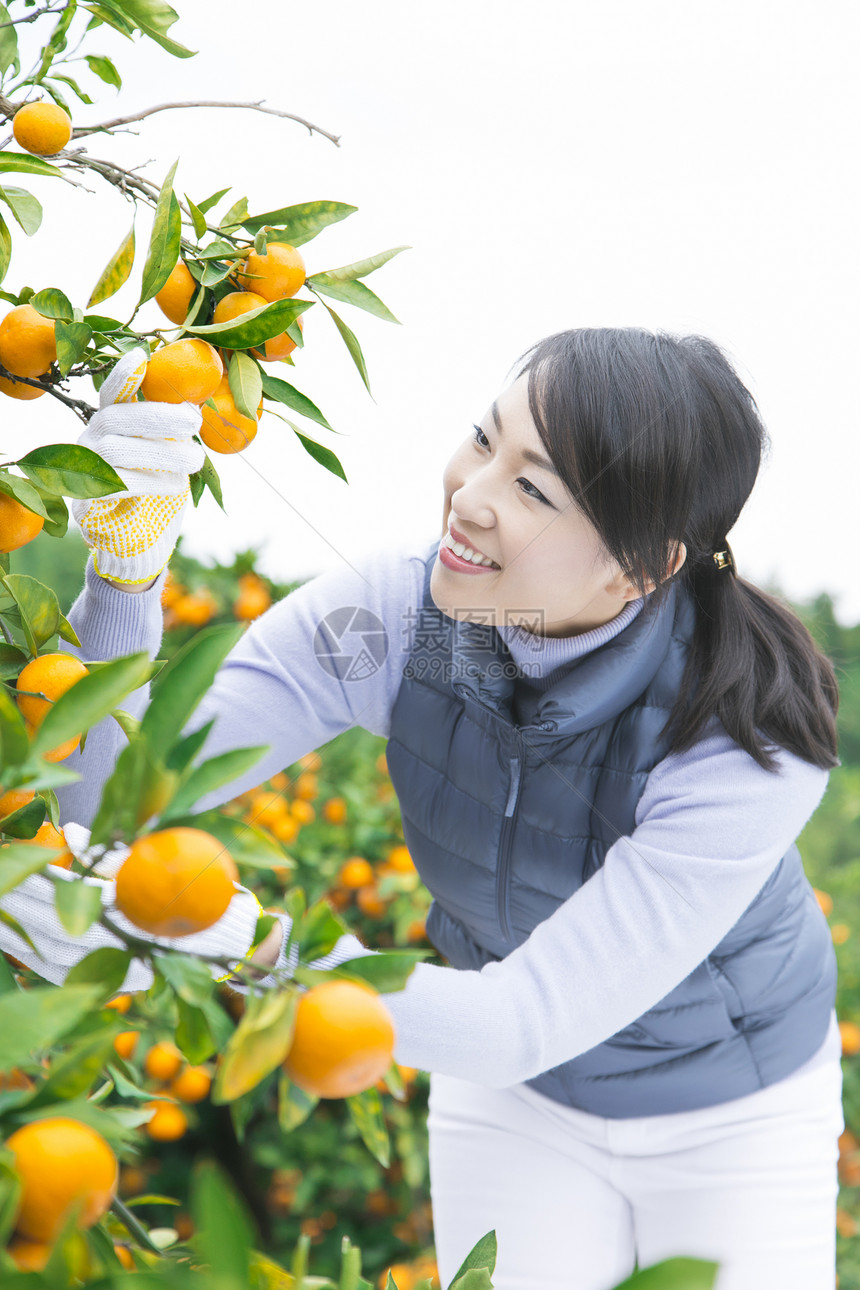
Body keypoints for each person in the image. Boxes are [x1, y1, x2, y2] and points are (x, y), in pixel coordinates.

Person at [1, 329, 845, 1290]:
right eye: (484, 441)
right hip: (512, 1097)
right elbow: (113, 805)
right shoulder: (393, 621)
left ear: (639, 569)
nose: (471, 497)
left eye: (534, 490)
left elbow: (524, 1016)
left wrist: (249, 944)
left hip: (734, 1112)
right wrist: (127, 569)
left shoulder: (742, 742)